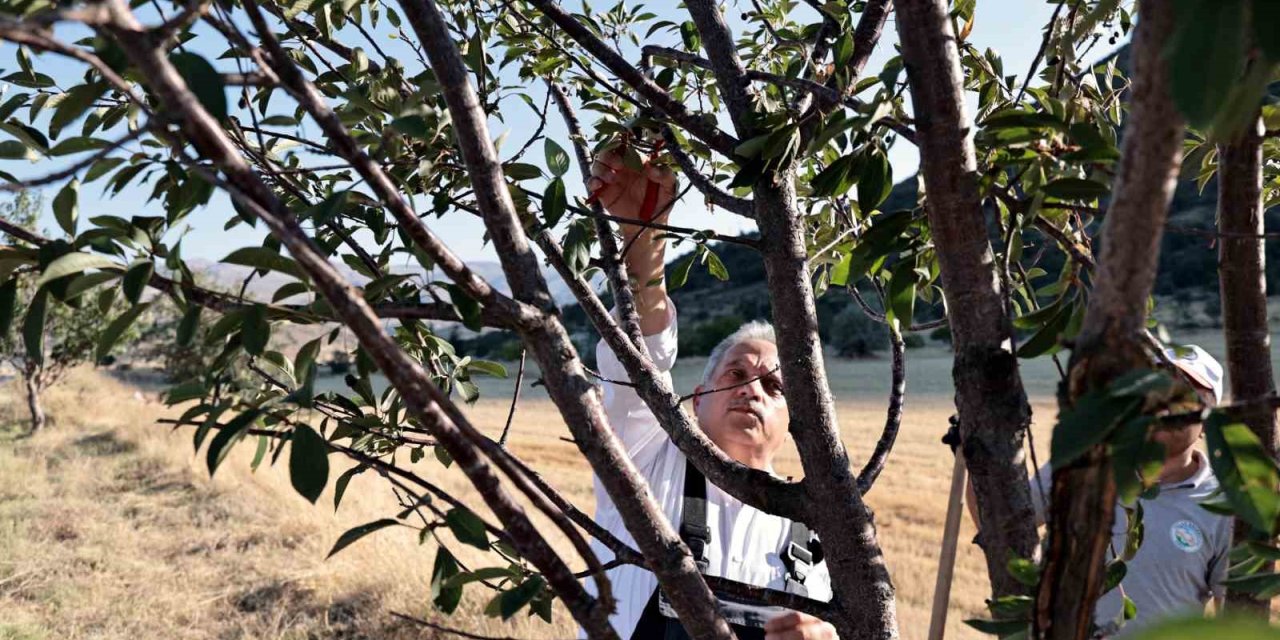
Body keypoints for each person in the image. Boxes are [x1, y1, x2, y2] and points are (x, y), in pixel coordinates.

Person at [582, 148, 838, 640]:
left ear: (795, 421)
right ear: (696, 399)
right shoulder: (646, 460)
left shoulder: (815, 530)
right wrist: (644, 243)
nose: (751, 390)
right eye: (735, 372)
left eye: (773, 386)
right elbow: (640, 360)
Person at [960, 345, 1232, 638]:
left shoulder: (1223, 507)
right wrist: (976, 449)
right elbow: (1000, 526)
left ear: (1209, 419)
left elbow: (1235, 618)